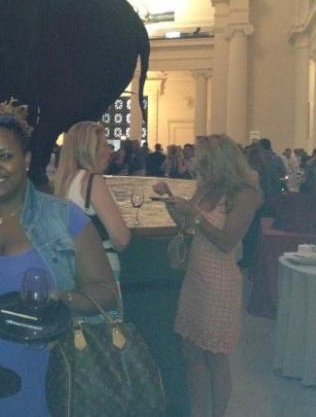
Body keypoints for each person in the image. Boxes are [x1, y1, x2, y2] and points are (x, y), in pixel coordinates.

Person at [0, 100, 117, 417]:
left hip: (45, 375)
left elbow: (106, 291)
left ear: (26, 160)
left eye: (5, 156)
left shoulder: (64, 218)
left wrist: (62, 299)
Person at [153, 134, 261, 417]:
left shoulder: (243, 194)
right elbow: (188, 224)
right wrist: (170, 201)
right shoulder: (205, 187)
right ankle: (198, 410)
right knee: (190, 350)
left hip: (220, 280)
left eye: (201, 159)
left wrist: (194, 214)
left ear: (218, 160)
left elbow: (226, 241)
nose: (196, 164)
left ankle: (218, 414)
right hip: (196, 276)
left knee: (216, 356)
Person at [54, 121, 131, 287]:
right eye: (104, 145)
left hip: (75, 269)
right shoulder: (92, 182)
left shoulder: (65, 183)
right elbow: (121, 238)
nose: (109, 151)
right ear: (89, 150)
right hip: (101, 267)